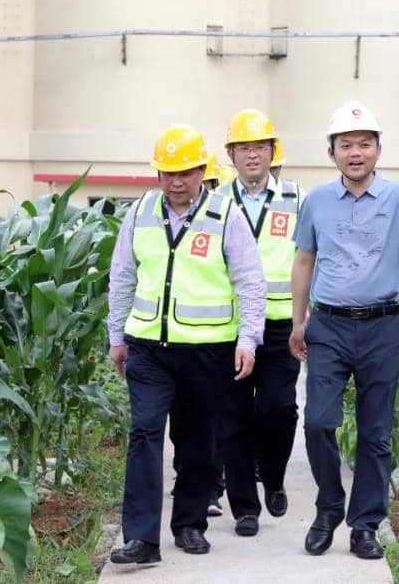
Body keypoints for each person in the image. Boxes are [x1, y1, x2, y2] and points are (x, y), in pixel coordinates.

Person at [289, 101, 399, 560]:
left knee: (375, 434)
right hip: (329, 325)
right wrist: (298, 322)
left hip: (383, 326)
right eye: (346, 145)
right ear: (331, 152)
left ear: (378, 149)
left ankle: (365, 526)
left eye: (364, 144)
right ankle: (328, 508)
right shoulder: (317, 202)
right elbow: (304, 261)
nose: (355, 153)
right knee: (318, 422)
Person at [107, 124, 266, 564]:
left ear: (202, 171)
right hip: (148, 349)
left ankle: (190, 523)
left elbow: (250, 281)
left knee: (198, 440)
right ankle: (141, 539)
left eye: (185, 172)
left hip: (207, 350)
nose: (176, 182)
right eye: (168, 173)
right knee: (144, 433)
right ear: (158, 174)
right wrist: (116, 335)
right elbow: (122, 275)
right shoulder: (139, 212)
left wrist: (248, 339)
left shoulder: (225, 215)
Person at [219, 109, 304, 537]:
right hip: (231, 325)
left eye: (259, 147)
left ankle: (272, 477)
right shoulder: (216, 201)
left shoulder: (297, 198)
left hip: (281, 323)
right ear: (230, 154)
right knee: (233, 415)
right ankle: (245, 508)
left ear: (273, 152)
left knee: (278, 408)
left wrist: (307, 315)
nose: (252, 155)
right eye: (243, 148)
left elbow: (311, 256)